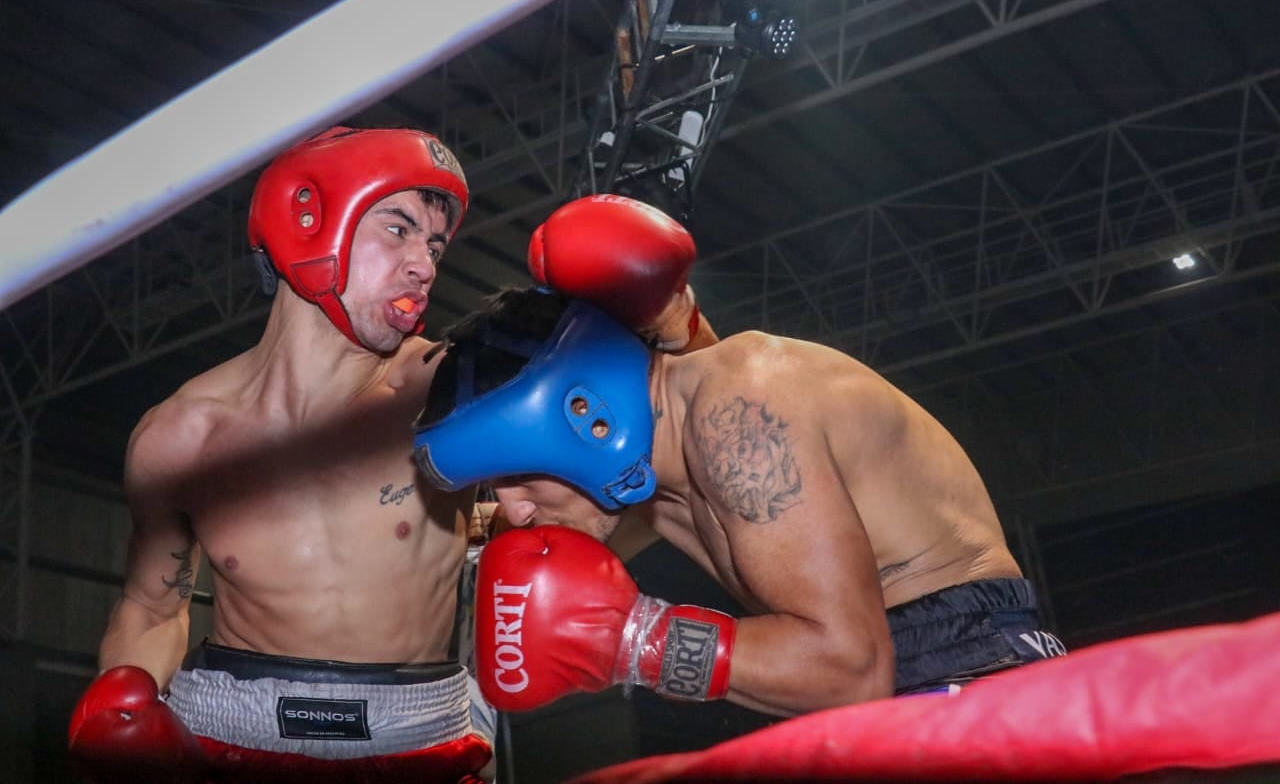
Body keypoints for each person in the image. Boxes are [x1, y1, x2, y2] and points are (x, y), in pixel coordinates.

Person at [65, 133, 709, 783]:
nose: (424, 265)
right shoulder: (180, 438)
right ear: (310, 222)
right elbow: (151, 607)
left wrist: (673, 319)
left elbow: (676, 434)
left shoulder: (453, 384)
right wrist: (123, 701)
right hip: (233, 733)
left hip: (426, 735)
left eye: (433, 245)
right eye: (398, 229)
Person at [411, 275, 1067, 719]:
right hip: (882, 667)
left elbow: (852, 668)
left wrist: (634, 638)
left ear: (586, 417)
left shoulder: (738, 409)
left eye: (519, 476)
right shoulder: (654, 470)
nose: (518, 509)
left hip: (969, 656)